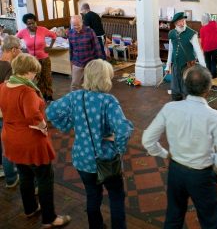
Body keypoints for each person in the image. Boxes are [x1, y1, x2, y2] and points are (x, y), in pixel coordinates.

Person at [46, 59, 133, 229]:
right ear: (105, 78)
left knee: (93, 195)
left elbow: (50, 111)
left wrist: (68, 124)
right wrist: (118, 146)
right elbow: (123, 130)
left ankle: (96, 226)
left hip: (82, 159)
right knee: (116, 196)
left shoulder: (75, 96)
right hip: (106, 159)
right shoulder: (109, 101)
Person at [143, 65, 217, 229]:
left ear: (184, 87)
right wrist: (213, 161)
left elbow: (148, 140)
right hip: (202, 175)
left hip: (176, 171)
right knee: (210, 221)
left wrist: (165, 154)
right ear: (208, 89)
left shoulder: (170, 108)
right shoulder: (216, 117)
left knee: (173, 217)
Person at [0, 53, 71, 228]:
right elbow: (33, 116)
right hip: (30, 141)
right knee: (45, 178)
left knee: (24, 175)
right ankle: (50, 218)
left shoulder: (3, 86)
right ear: (26, 71)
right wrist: (43, 127)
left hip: (11, 137)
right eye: (34, 72)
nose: (35, 76)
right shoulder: (26, 90)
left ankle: (30, 208)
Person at [165, 11, 206, 101]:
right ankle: (177, 107)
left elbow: (198, 51)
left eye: (183, 20)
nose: (182, 23)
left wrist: (203, 66)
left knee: (187, 89)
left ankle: (188, 107)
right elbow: (170, 50)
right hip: (175, 65)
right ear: (175, 23)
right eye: (179, 22)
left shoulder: (191, 34)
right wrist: (167, 66)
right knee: (175, 90)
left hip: (188, 65)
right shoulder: (172, 34)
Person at [16, 13, 56, 102]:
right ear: (26, 24)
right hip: (32, 60)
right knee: (36, 79)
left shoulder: (42, 30)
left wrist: (50, 47)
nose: (31, 25)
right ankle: (40, 95)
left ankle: (49, 95)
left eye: (33, 23)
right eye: (29, 24)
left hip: (44, 58)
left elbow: (54, 35)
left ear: (35, 22)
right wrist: (22, 49)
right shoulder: (23, 32)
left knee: (47, 77)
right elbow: (15, 40)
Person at [0, 36, 21, 188]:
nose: (20, 52)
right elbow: (9, 92)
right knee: (7, 147)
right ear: (13, 50)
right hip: (4, 112)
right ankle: (11, 178)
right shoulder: (8, 67)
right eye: (19, 49)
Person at [68, 15, 105, 91]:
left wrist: (100, 61)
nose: (76, 27)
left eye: (78, 24)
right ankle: (75, 100)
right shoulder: (70, 33)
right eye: (74, 25)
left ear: (82, 23)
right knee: (74, 85)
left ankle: (91, 99)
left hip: (90, 62)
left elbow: (97, 46)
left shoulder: (90, 31)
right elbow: (71, 47)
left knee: (91, 84)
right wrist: (71, 60)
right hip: (77, 62)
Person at [199, 12, 217, 78]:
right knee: (214, 63)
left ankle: (208, 78)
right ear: (209, 17)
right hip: (216, 46)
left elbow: (202, 41)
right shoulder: (214, 23)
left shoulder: (202, 29)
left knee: (208, 63)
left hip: (206, 48)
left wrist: (202, 49)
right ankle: (214, 78)